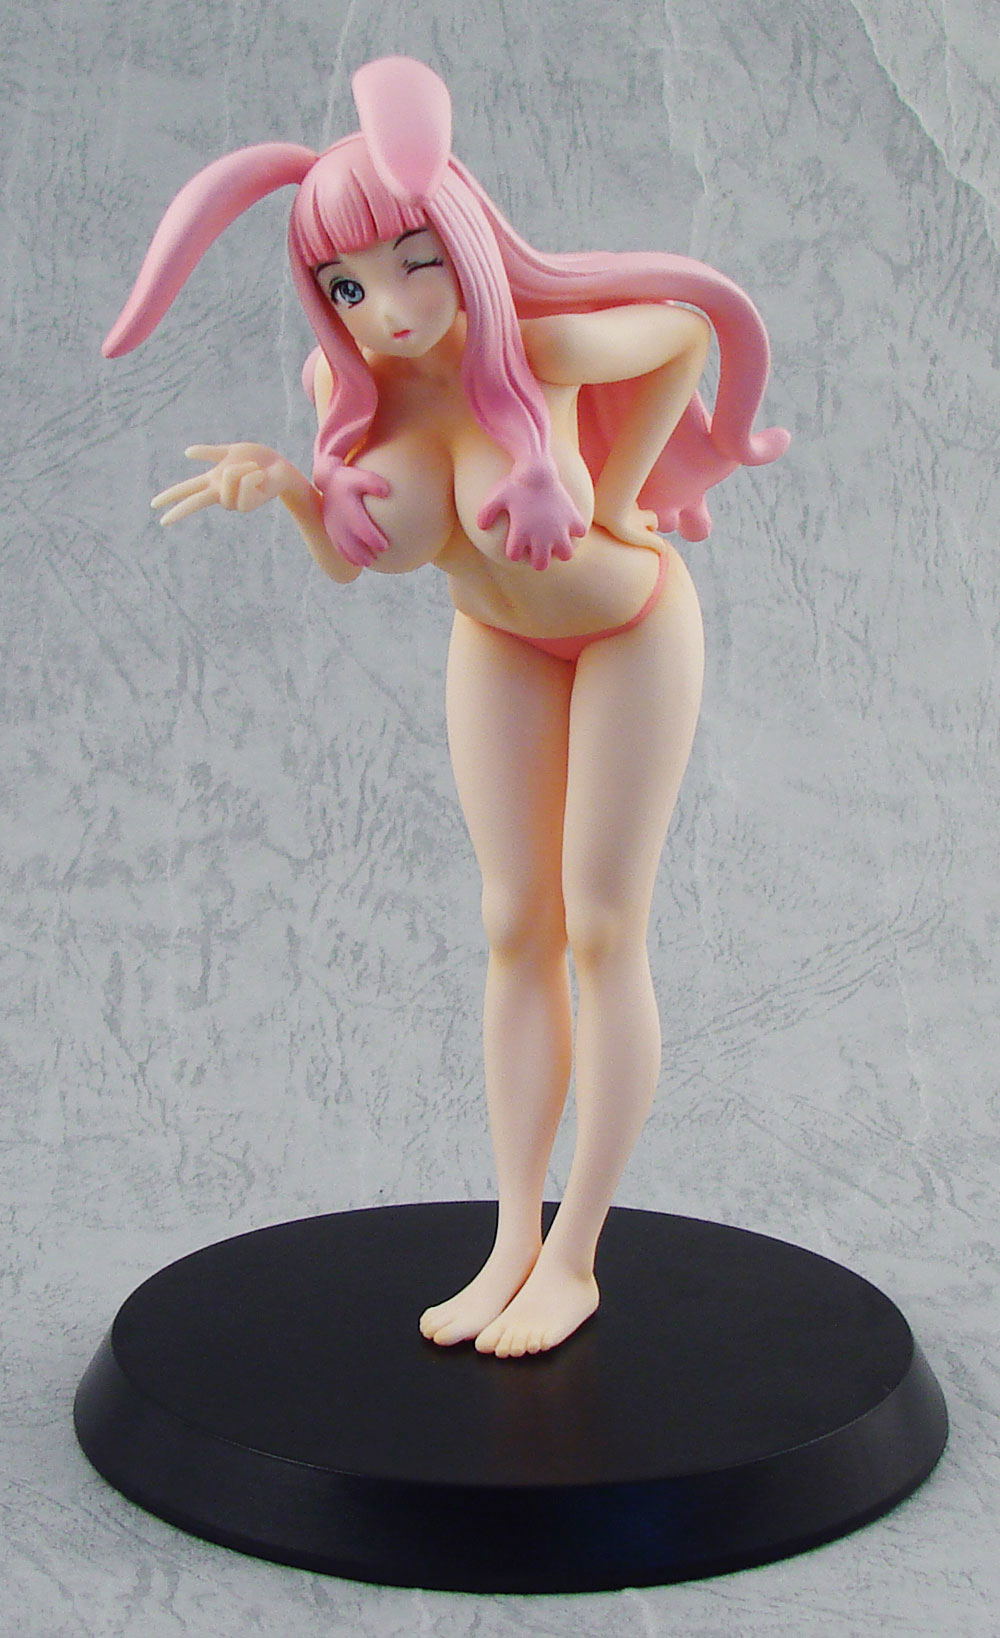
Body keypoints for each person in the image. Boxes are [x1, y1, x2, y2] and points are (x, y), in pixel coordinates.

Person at [103, 56, 789, 1358]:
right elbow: (356, 561)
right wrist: (288, 490)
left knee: (602, 929)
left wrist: (621, 496)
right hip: (499, 642)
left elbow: (690, 333)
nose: (388, 307)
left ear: (462, 240)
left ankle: (576, 1255)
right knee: (513, 926)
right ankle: (512, 1238)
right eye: (347, 286)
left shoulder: (543, 348)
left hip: (631, 630)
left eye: (413, 263)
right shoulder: (347, 394)